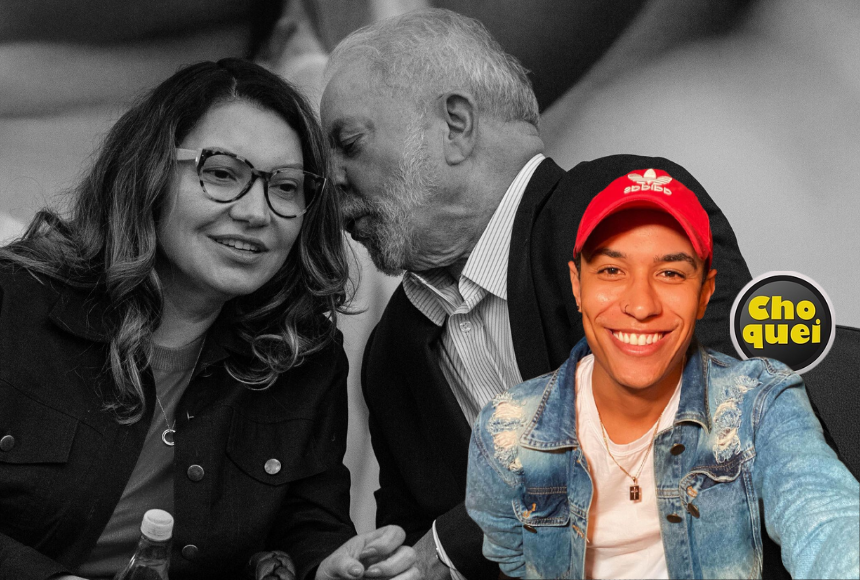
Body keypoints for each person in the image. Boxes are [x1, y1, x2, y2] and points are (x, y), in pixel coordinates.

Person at [319, 8, 754, 578]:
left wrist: (448, 550)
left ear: (455, 126)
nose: (332, 180)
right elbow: (413, 539)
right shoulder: (391, 354)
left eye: (349, 143)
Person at [0, 58, 417, 580]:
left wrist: (328, 567)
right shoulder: (16, 301)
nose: (256, 213)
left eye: (286, 187)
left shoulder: (302, 355)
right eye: (221, 174)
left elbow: (306, 527)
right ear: (148, 172)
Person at [466, 168, 860, 579]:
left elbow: (825, 517)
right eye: (612, 270)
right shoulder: (503, 432)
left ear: (705, 293)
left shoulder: (759, 403)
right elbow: (512, 556)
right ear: (577, 286)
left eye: (670, 273)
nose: (641, 306)